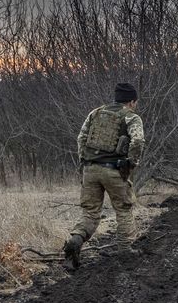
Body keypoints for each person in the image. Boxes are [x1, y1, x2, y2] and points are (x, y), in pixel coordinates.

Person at [63, 82, 146, 269]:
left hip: (90, 169)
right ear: (132, 101)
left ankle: (76, 241)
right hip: (114, 170)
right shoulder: (131, 117)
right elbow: (138, 140)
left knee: (90, 213)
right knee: (123, 210)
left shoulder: (95, 113)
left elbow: (81, 138)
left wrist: (85, 161)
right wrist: (131, 162)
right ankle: (126, 251)